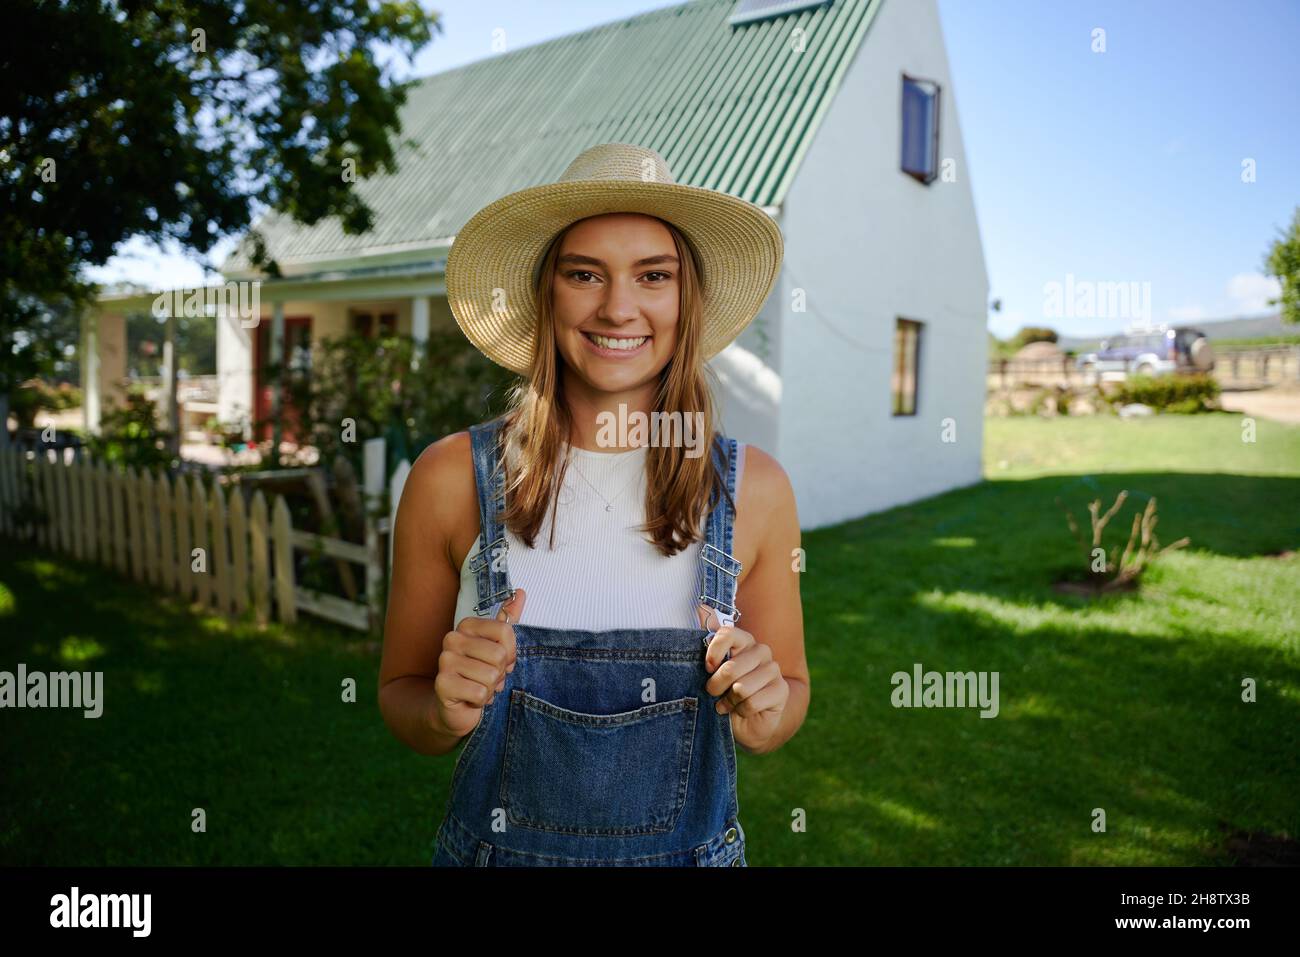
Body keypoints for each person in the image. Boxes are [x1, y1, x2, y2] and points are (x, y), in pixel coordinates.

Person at [379, 142, 809, 866]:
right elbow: (401, 695)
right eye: (585, 274)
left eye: (653, 275)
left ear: (687, 299)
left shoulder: (754, 487)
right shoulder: (451, 476)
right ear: (547, 293)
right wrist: (441, 709)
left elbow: (789, 693)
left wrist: (768, 712)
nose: (618, 307)